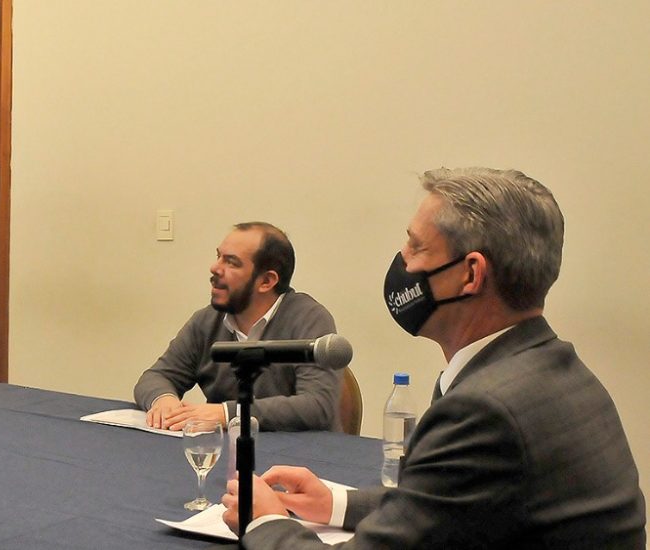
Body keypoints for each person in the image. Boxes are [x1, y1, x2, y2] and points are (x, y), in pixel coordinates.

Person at [222, 168, 647, 548]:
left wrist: (265, 523)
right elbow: (439, 504)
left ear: (470, 274)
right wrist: (334, 502)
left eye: (416, 246)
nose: (401, 260)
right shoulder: (550, 369)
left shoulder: (485, 410)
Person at [133, 222, 341, 432]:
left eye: (231, 262)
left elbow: (317, 406)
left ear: (266, 281)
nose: (214, 268)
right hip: (229, 452)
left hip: (301, 457)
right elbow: (156, 376)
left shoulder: (309, 319)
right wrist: (164, 401)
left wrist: (227, 414)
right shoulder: (207, 321)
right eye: (218, 257)